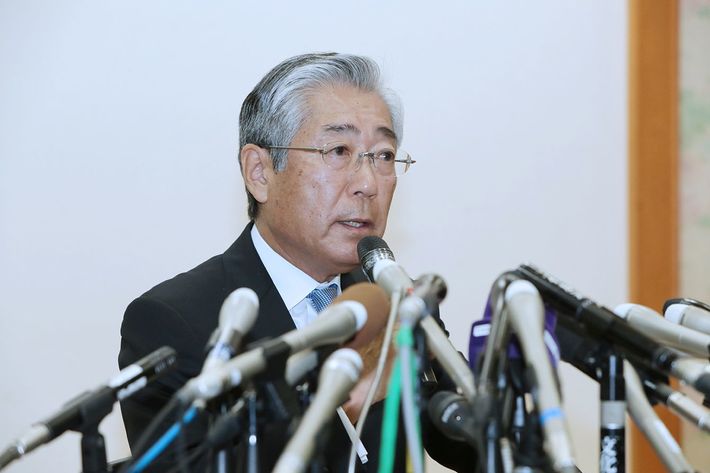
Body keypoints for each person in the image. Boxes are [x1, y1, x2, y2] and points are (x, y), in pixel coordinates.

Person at [118, 52, 474, 472]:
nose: (367, 184)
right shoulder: (172, 323)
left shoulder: (388, 297)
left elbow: (476, 444)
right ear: (260, 172)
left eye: (382, 155)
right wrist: (343, 395)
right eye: (338, 150)